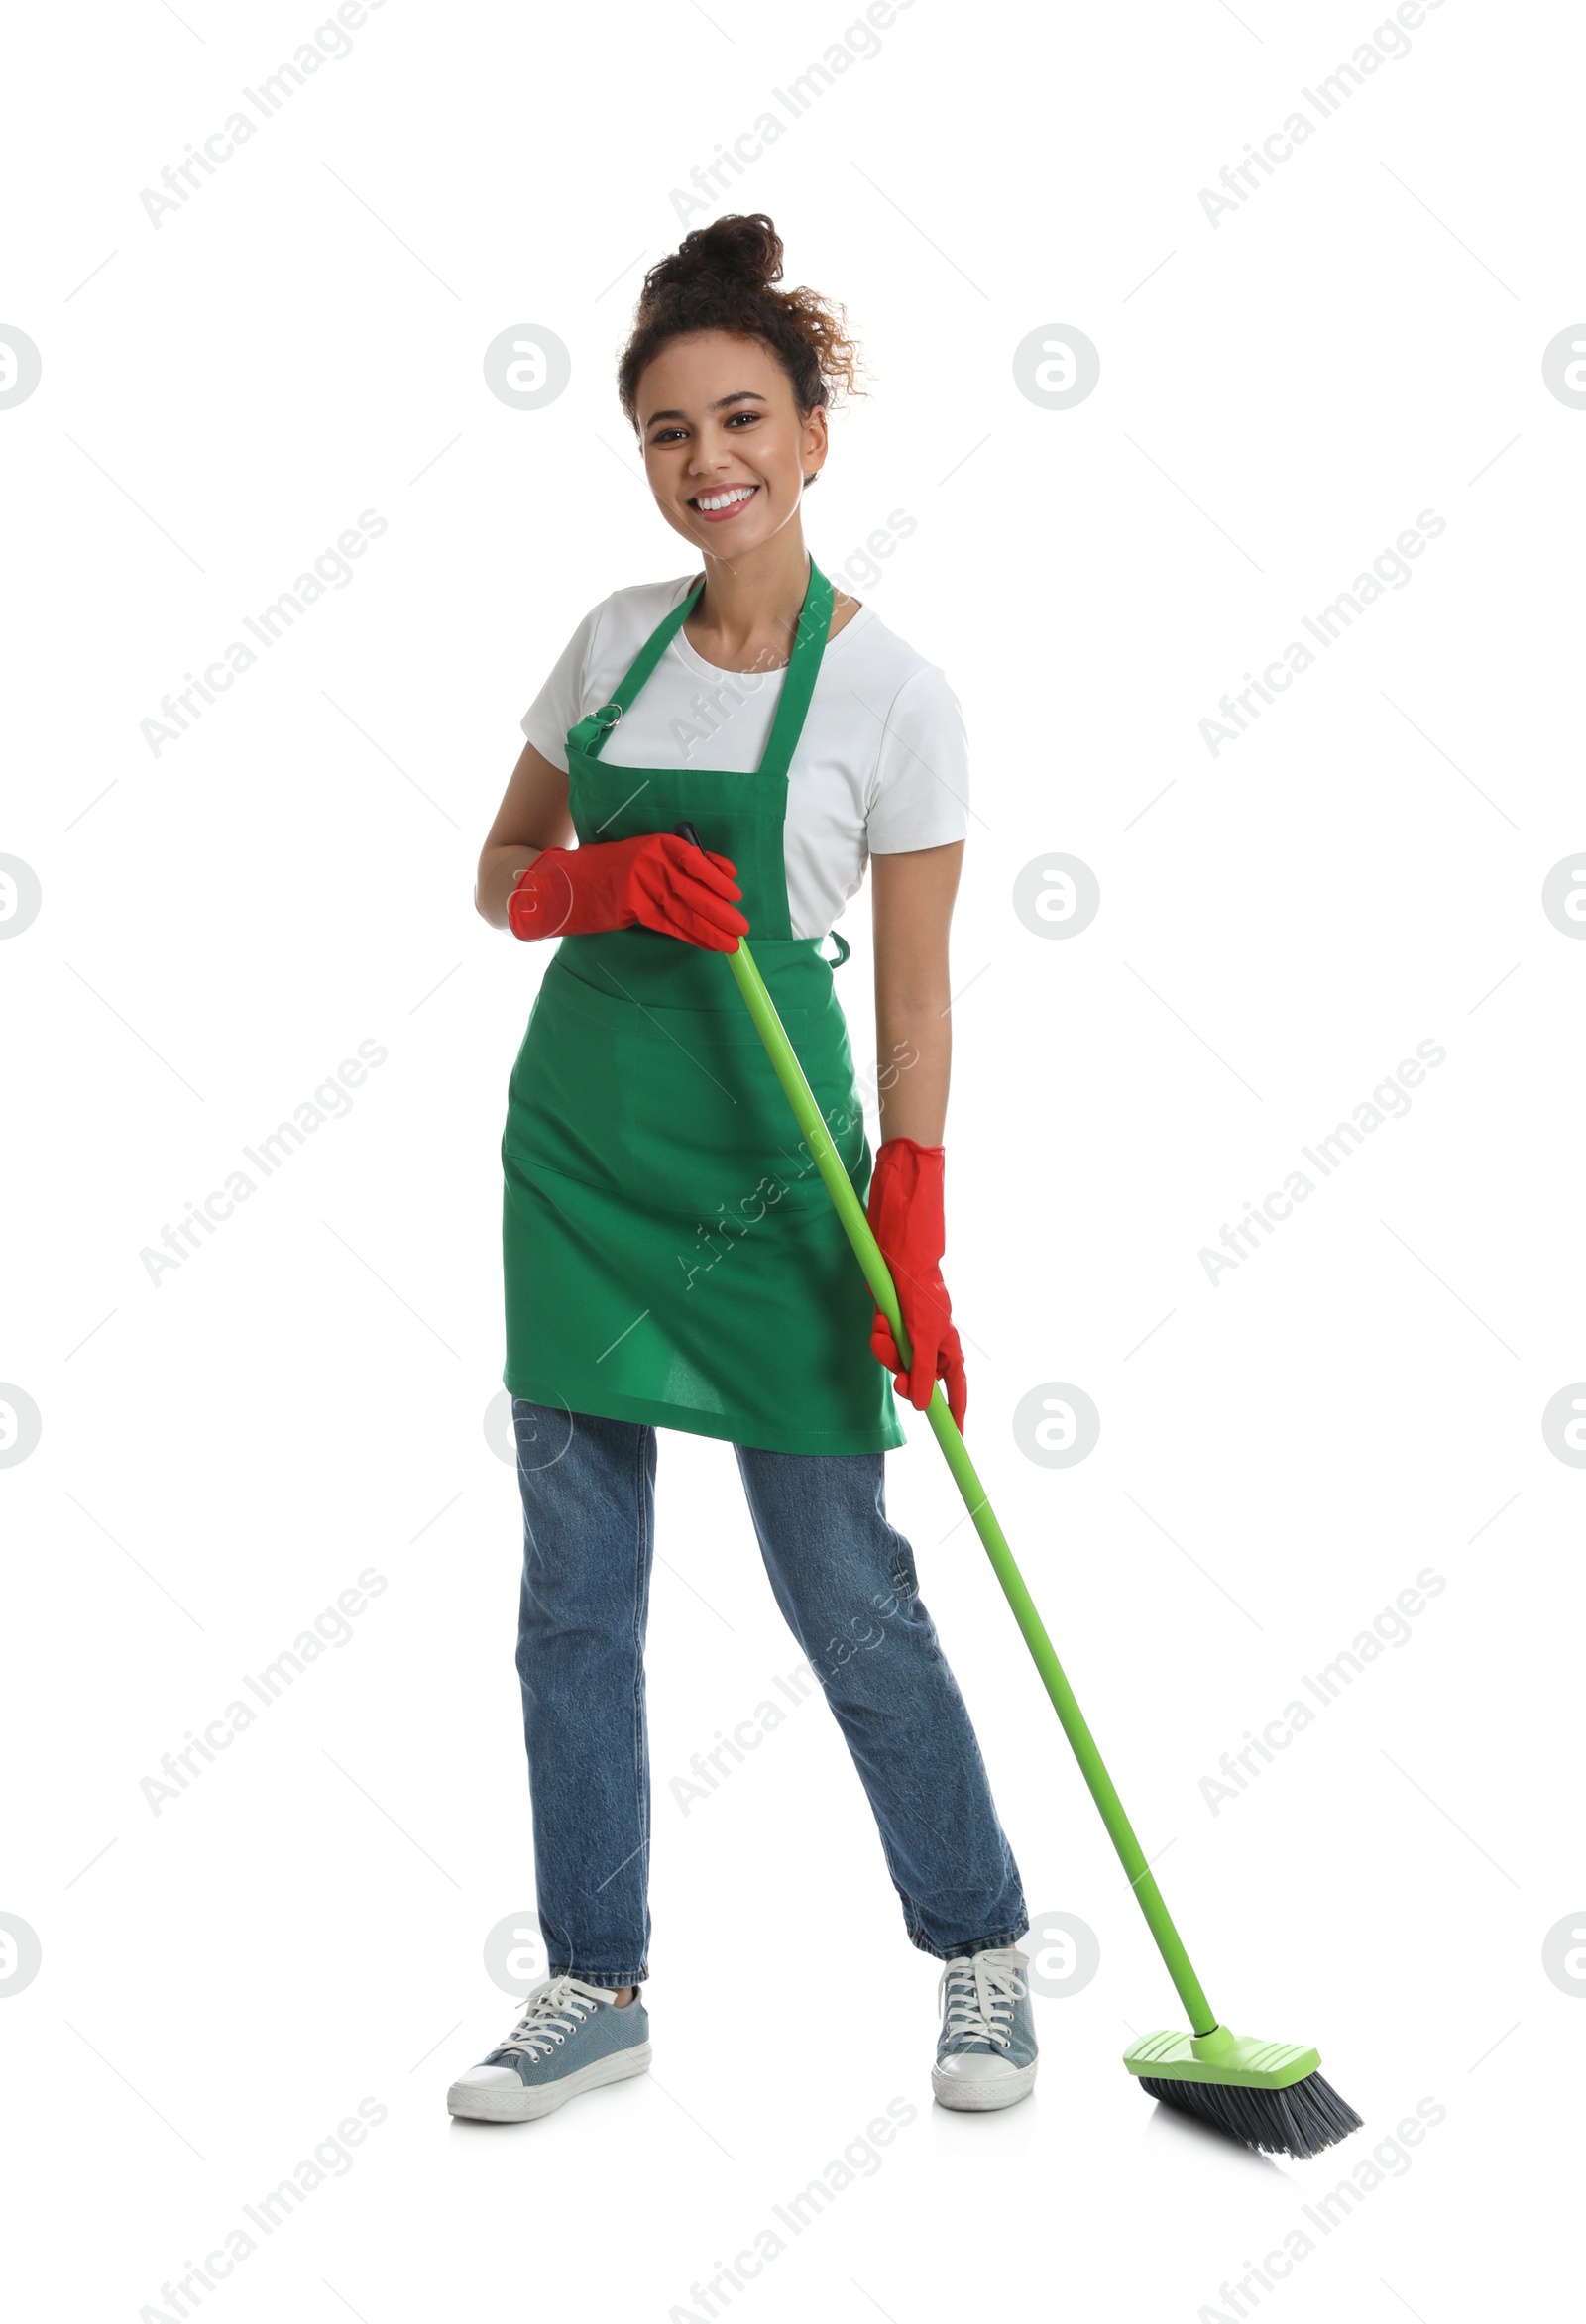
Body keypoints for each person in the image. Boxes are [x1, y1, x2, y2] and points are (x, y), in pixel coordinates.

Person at [448, 214, 1033, 2127]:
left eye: (743, 419)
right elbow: (499, 877)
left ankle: (981, 1953)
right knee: (574, 1600)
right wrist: (592, 880)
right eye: (668, 432)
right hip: (582, 1160)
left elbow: (922, 1010)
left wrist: (915, 1227)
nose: (709, 463)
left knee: (847, 1590)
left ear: (814, 430)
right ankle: (591, 1978)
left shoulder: (901, 696)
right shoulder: (613, 641)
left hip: (779, 1187)